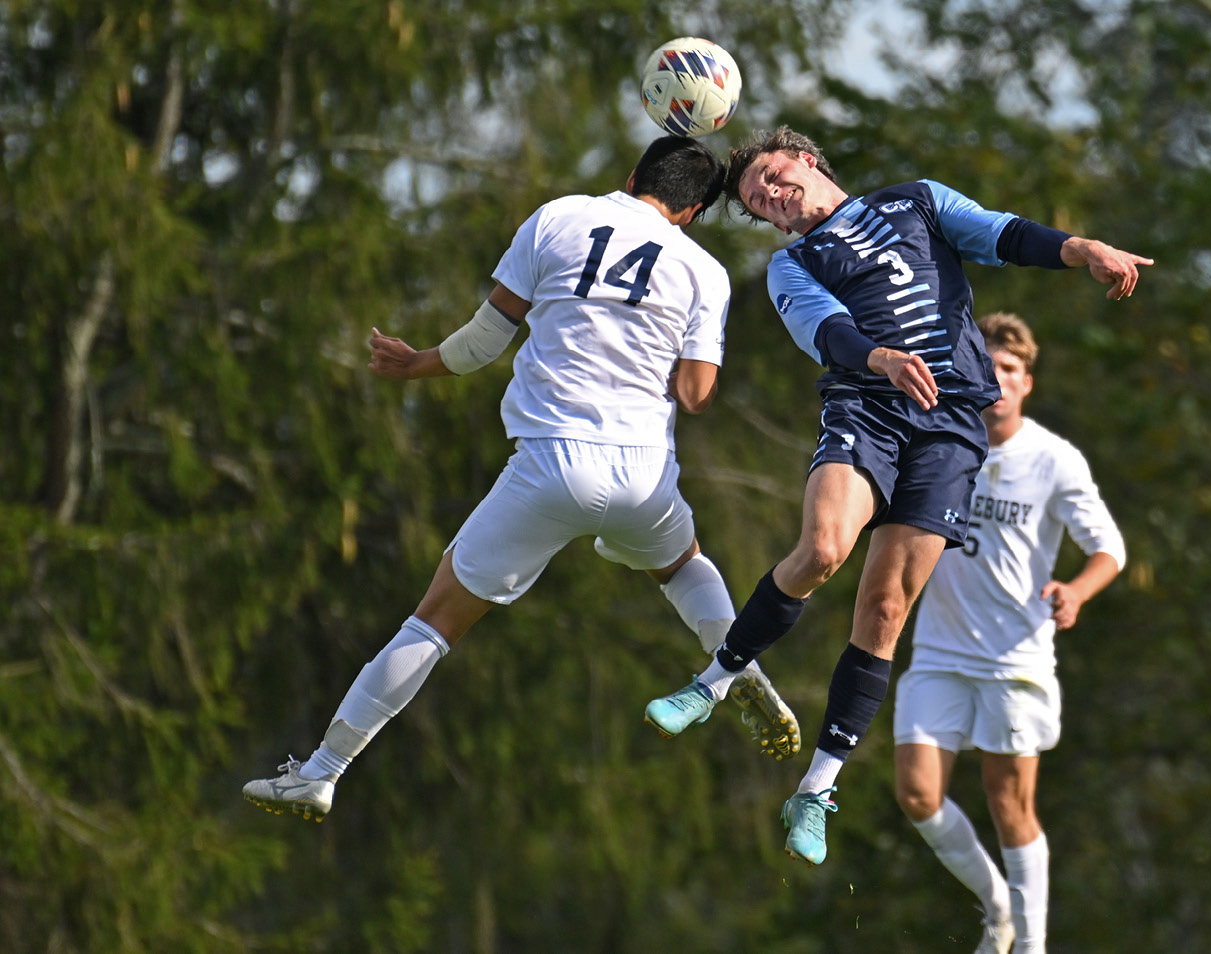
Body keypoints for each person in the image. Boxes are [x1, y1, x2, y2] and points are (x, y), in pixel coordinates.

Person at [242, 136, 800, 822]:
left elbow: (483, 340)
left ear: (631, 176)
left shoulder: (558, 217)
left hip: (551, 463)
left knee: (436, 619)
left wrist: (415, 363)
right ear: (690, 213)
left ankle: (322, 771)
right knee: (681, 564)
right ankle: (739, 662)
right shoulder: (703, 271)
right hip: (643, 474)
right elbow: (695, 393)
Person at [642, 126, 1151, 868]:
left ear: (807, 162)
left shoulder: (917, 202)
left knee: (883, 611)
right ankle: (712, 683)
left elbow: (1004, 234)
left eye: (776, 179)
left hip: (950, 429)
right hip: (866, 408)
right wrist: (879, 358)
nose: (772, 199)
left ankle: (814, 790)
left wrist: (1084, 250)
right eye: (758, 202)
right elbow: (832, 333)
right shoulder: (794, 266)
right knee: (822, 550)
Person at [892, 312, 1124, 954]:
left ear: (1026, 383)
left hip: (1015, 659)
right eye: (987, 366)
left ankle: (1032, 945)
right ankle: (997, 905)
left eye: (1011, 370)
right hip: (938, 652)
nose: (998, 379)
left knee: (1007, 803)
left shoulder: (1054, 460)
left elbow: (1109, 549)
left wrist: (1076, 590)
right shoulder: (936, 442)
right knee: (916, 792)